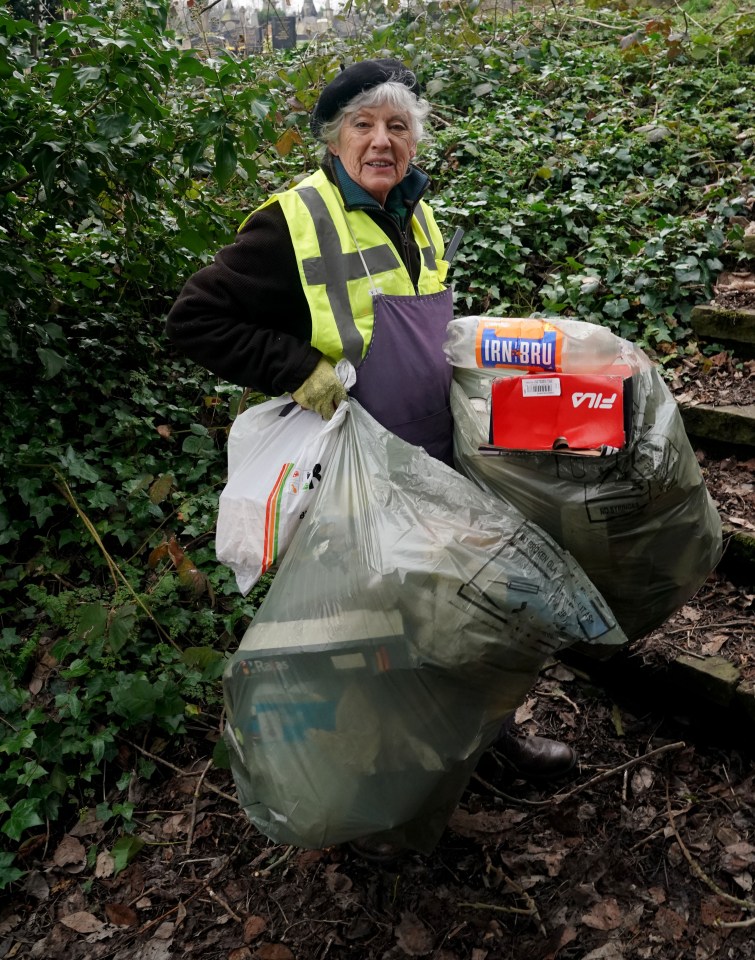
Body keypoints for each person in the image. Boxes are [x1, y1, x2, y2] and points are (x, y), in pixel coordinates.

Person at [166, 59, 575, 858]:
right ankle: (396, 798)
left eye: (397, 126)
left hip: (433, 463)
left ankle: (487, 747)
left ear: (414, 139)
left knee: (469, 615)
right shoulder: (293, 220)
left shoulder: (416, 212)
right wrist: (299, 372)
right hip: (358, 478)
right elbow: (193, 321)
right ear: (334, 138)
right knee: (379, 644)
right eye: (363, 124)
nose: (381, 141)